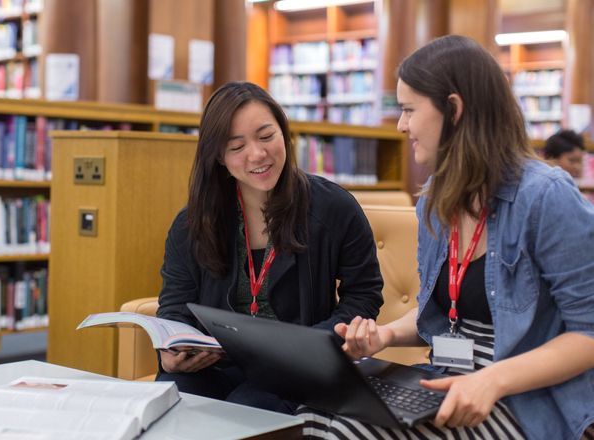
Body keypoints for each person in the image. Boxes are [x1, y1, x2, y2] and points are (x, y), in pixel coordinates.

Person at [297, 35, 594, 440]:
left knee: (352, 433)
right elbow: (436, 312)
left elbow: (589, 334)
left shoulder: (545, 195)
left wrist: (493, 380)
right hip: (447, 379)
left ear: (453, 109)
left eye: (408, 110)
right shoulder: (437, 197)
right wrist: (382, 336)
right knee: (312, 413)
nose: (401, 125)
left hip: (526, 397)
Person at [155, 81, 384, 414]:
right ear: (218, 156)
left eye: (266, 137)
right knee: (171, 399)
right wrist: (171, 351)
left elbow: (363, 295)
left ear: (284, 133)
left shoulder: (334, 208)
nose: (258, 154)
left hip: (298, 371)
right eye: (236, 146)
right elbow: (174, 304)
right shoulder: (192, 223)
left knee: (247, 410)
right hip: (216, 366)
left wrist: (315, 344)